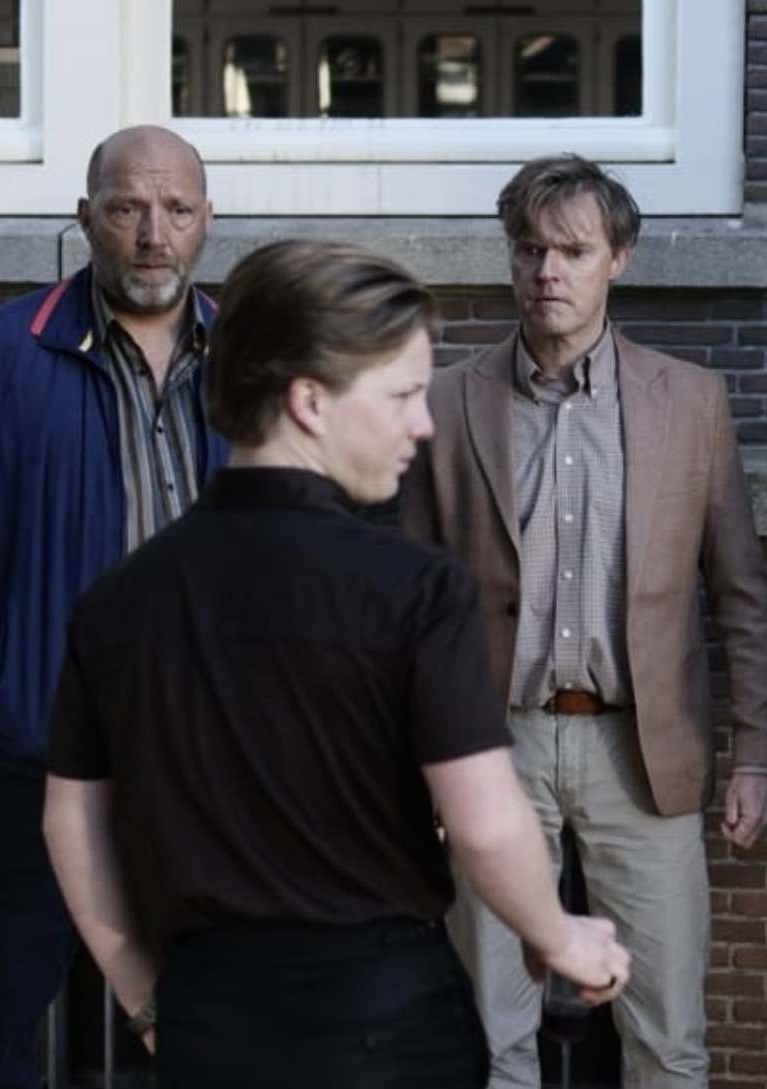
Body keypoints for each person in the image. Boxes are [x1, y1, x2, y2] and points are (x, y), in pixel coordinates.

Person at [41, 238, 632, 1088]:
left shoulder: (116, 601)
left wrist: (145, 999)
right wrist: (557, 933)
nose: (422, 423)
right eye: (401, 395)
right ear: (310, 401)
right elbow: (483, 819)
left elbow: (72, 822)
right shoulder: (415, 589)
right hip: (382, 1029)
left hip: (208, 1022)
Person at [398, 153, 767, 1089]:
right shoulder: (446, 403)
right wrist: (419, 766)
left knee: (667, 1037)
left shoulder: (689, 403)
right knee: (489, 1035)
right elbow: (410, 604)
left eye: (573, 251)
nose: (548, 271)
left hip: (640, 749)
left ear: (618, 257)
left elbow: (739, 590)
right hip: (492, 747)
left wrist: (761, 751)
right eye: (530, 249)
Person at [0, 125, 225, 1089]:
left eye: (177, 210)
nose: (153, 234)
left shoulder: (254, 357)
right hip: (35, 762)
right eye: (126, 208)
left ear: (208, 221)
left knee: (218, 1020)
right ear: (84, 219)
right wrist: (7, 685)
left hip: (213, 764)